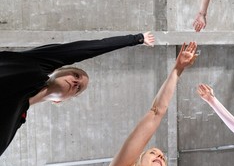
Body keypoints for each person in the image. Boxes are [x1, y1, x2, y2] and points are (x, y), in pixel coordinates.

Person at [0, 31, 155, 157]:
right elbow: (83, 49)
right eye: (75, 75)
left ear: (59, 101)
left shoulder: (16, 121)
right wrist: (135, 39)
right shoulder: (31, 66)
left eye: (79, 88)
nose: (76, 83)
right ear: (56, 70)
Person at [105, 42, 198, 166]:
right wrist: (177, 69)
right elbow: (156, 113)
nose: (160, 157)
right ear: (136, 160)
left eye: (159, 156)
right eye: (153, 153)